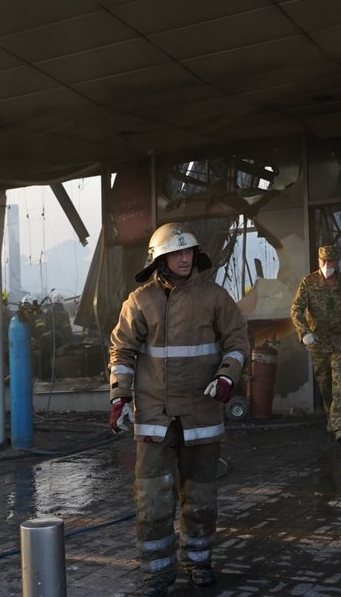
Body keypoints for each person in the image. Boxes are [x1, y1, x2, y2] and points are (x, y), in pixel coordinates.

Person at [108, 223, 248, 596]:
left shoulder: (215, 298)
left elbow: (237, 340)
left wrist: (227, 377)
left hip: (202, 414)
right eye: (177, 253)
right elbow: (122, 351)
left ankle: (198, 562)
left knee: (201, 498)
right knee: (152, 498)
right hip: (155, 417)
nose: (185, 258)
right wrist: (119, 395)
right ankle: (156, 572)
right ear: (160, 259)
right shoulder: (139, 302)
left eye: (189, 252)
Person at [291, 245, 341, 442]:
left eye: (331, 261)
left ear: (337, 262)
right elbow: (296, 309)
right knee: (325, 382)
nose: (328, 265)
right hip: (319, 341)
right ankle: (331, 416)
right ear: (319, 261)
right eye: (324, 261)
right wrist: (304, 332)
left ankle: (340, 426)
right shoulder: (309, 282)